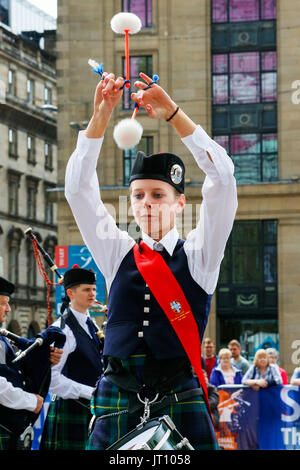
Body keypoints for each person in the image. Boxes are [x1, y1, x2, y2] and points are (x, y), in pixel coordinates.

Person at [65, 70, 237, 450]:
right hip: (118, 396)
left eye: (158, 195)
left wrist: (174, 115)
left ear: (179, 202)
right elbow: (78, 189)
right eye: (138, 195)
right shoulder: (117, 252)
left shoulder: (199, 256)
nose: (146, 204)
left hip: (180, 396)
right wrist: (101, 115)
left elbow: (223, 180)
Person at [40, 265, 104, 451]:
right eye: (86, 290)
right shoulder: (62, 330)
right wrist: (90, 393)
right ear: (70, 292)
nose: (92, 293)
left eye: (93, 289)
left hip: (91, 410)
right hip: (71, 408)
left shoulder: (91, 324)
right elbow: (52, 379)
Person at [0, 276, 64, 450]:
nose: (8, 309)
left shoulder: (2, 337)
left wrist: (42, 358)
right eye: (3, 303)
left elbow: (11, 369)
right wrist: (30, 401)